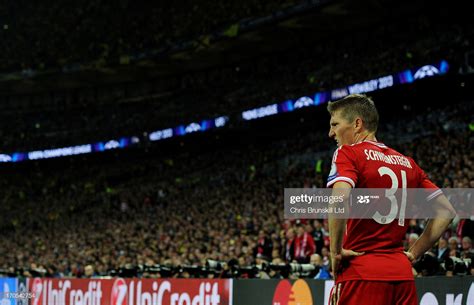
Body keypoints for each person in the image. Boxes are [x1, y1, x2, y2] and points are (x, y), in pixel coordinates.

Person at [326, 94, 455, 305]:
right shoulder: (407, 163)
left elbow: (340, 200)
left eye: (335, 124)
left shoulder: (347, 153)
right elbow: (446, 211)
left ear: (357, 123)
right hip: (402, 275)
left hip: (361, 272)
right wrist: (413, 254)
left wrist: (336, 252)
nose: (331, 133)